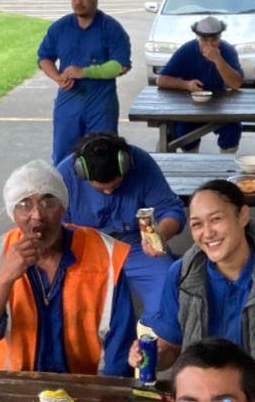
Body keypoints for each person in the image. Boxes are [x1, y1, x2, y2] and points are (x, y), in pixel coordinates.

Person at [134, 179, 255, 386]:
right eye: (197, 224)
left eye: (215, 219)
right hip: (199, 394)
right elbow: (170, 347)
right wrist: (148, 358)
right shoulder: (181, 273)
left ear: (243, 216)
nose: (207, 233)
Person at [0, 158, 135, 376]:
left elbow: (121, 346)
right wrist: (4, 278)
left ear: (63, 207)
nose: (37, 215)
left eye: (47, 202)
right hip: (10, 387)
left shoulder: (104, 254)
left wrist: (108, 398)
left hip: (83, 385)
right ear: (12, 213)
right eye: (24, 205)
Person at [56, 131, 186, 321]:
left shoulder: (141, 163)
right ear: (81, 171)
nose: (109, 192)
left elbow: (170, 209)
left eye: (116, 186)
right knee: (76, 312)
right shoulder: (64, 176)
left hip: (136, 244)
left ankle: (150, 342)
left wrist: (160, 235)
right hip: (84, 246)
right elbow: (55, 229)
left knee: (167, 299)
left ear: (125, 164)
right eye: (100, 189)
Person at [37, 0, 132, 164]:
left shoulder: (110, 28)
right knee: (64, 156)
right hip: (68, 101)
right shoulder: (60, 27)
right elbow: (44, 58)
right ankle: (66, 192)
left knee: (103, 155)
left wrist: (85, 72)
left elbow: (121, 65)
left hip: (101, 102)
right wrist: (57, 77)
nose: (78, 2)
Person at [156, 16, 244, 153]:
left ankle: (226, 165)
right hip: (190, 107)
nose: (209, 45)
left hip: (221, 107)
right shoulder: (187, 50)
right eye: (204, 40)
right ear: (197, 37)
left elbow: (235, 84)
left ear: (220, 36)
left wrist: (217, 59)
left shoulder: (228, 50)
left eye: (214, 40)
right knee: (183, 132)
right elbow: (161, 80)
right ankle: (193, 164)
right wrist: (187, 85)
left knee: (233, 129)